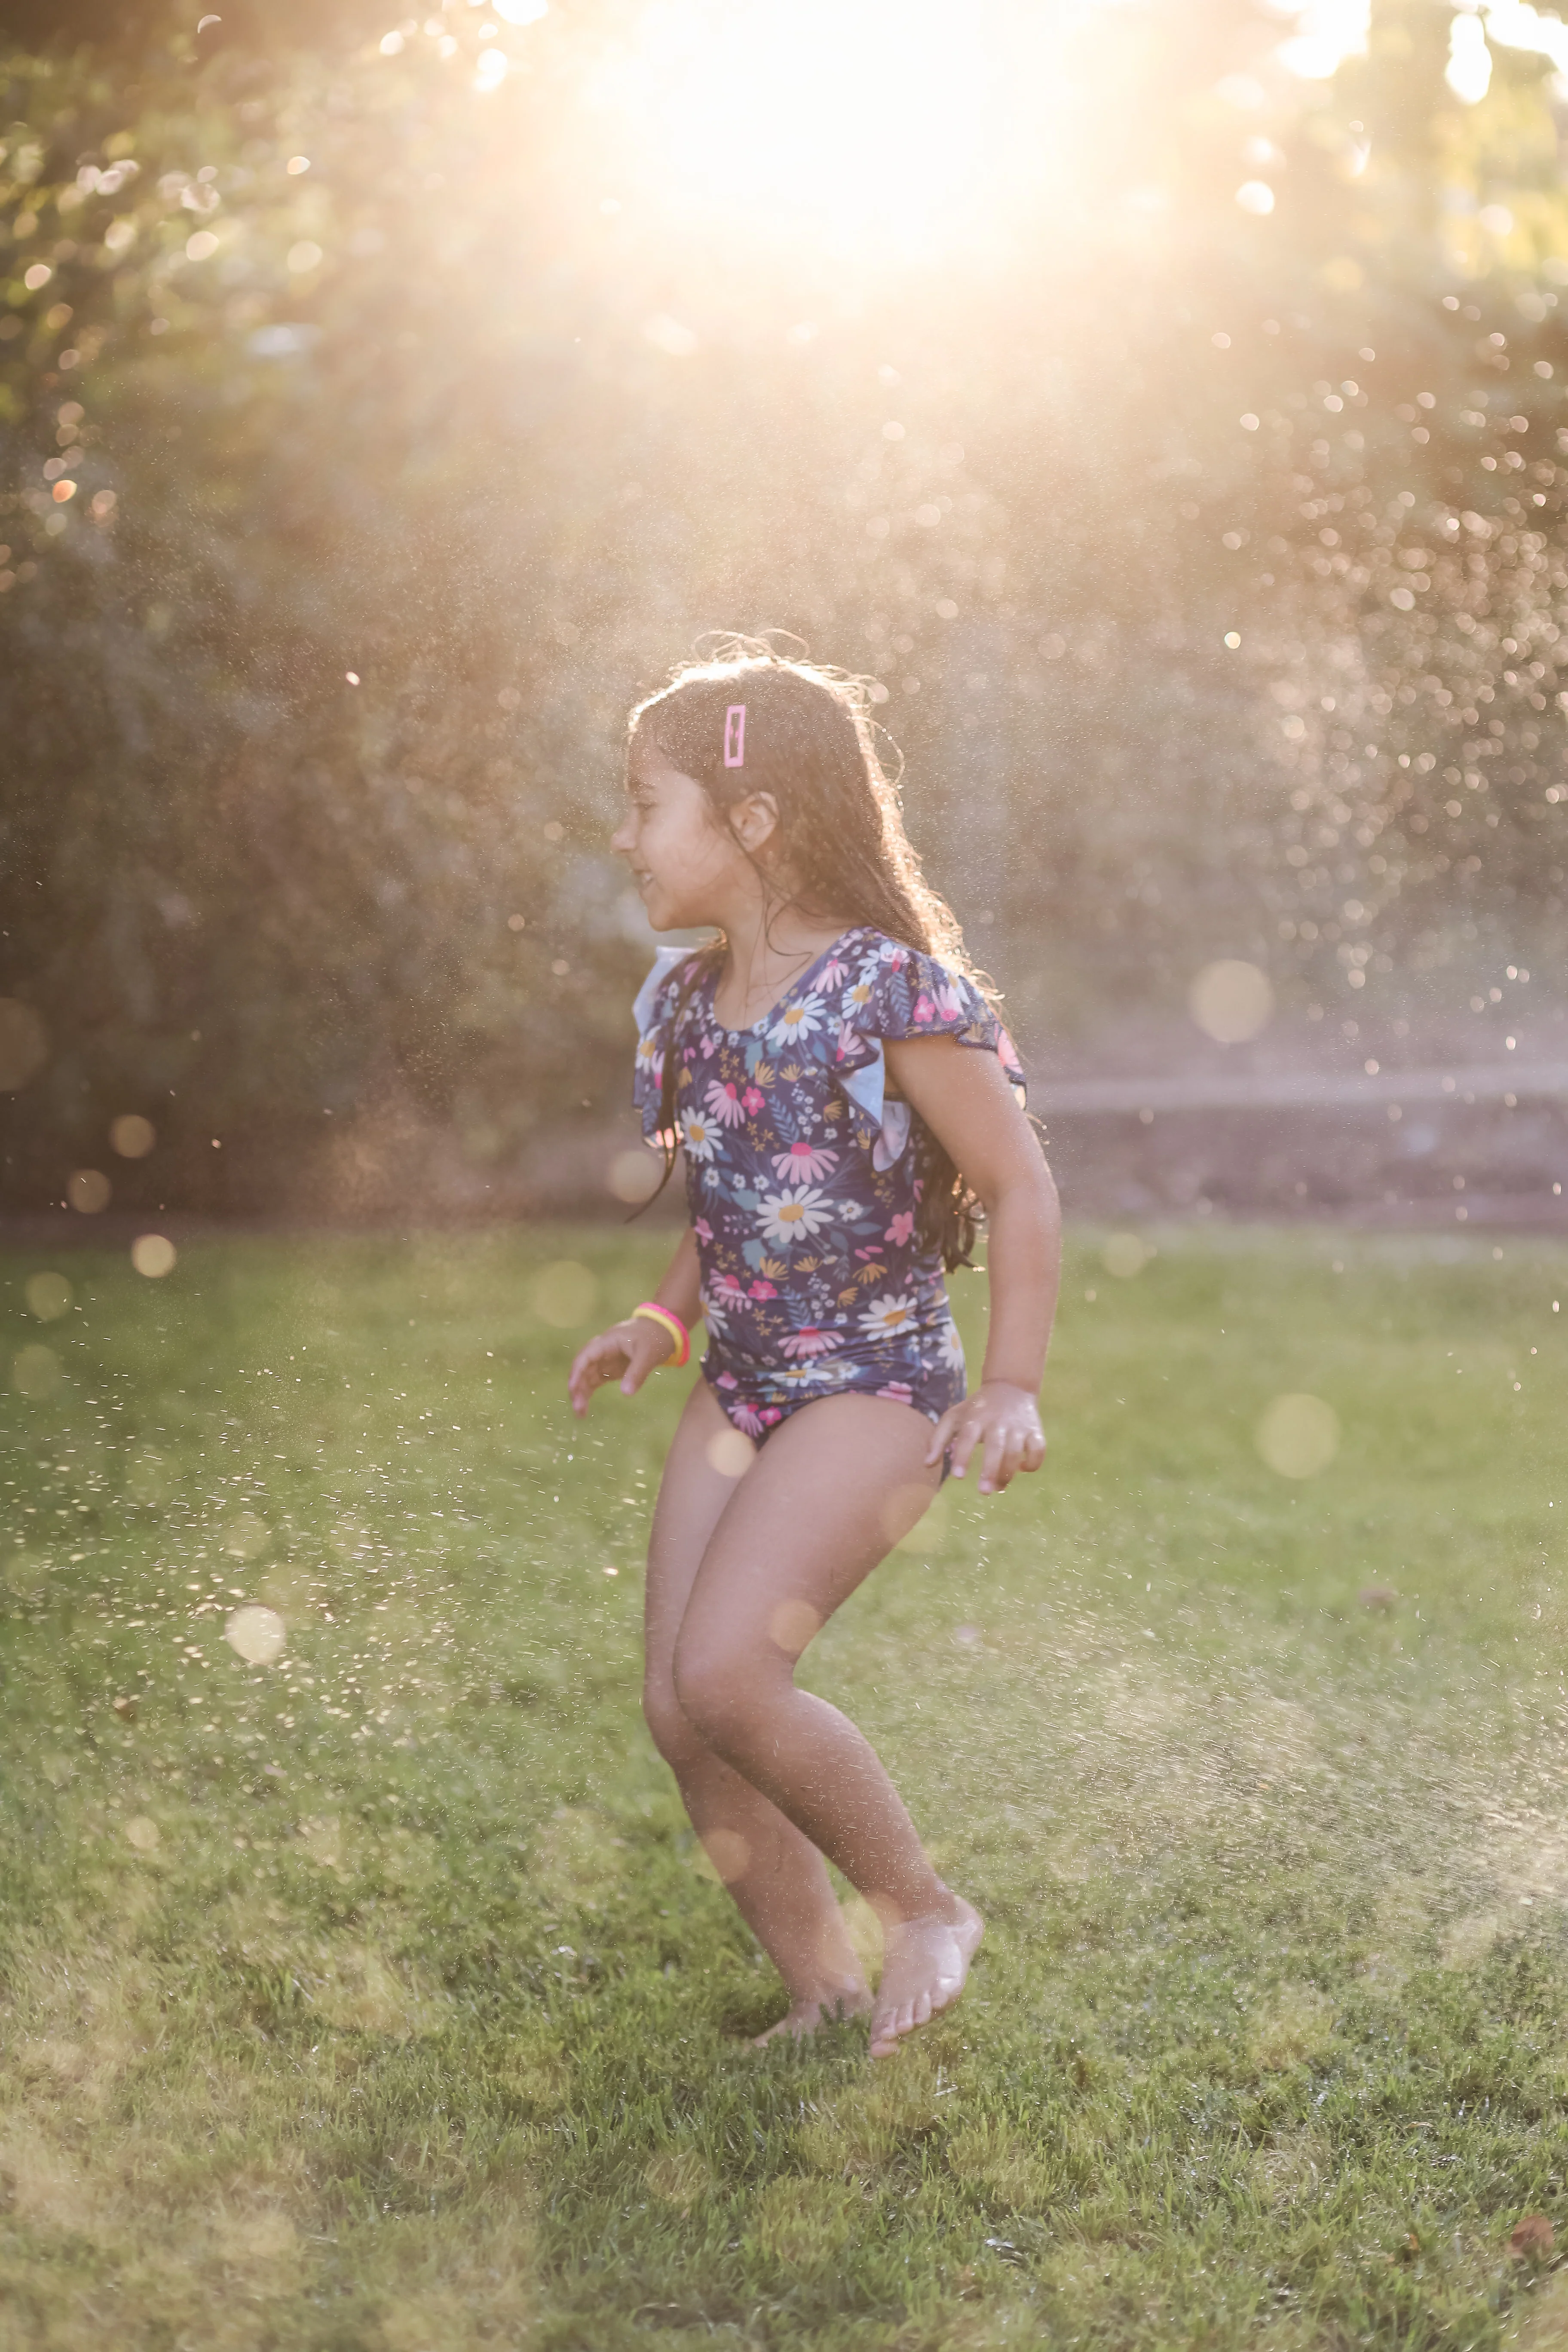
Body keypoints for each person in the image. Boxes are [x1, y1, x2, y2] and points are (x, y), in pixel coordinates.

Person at [568, 646, 1061, 2058]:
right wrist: (663, 1322)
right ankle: (820, 1991)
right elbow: (728, 1195)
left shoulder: (885, 997)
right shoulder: (682, 1007)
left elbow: (1020, 1185)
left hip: (871, 1387)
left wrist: (1013, 1383)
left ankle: (923, 1906)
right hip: (742, 1385)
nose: (622, 835)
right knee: (680, 1709)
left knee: (731, 1676)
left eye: (645, 802)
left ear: (755, 818)